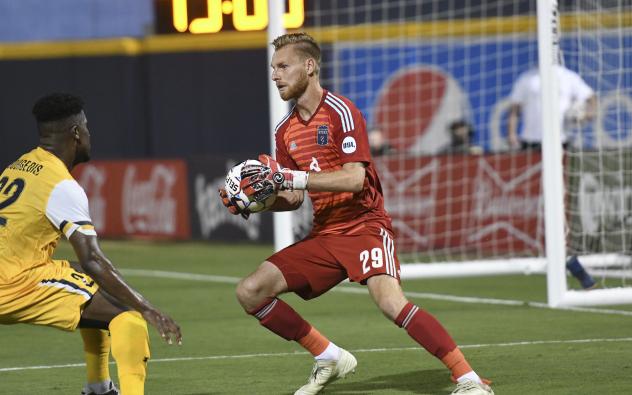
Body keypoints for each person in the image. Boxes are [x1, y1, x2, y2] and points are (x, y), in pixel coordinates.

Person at [219, 33, 493, 395]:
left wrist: (291, 177)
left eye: (283, 66)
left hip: (365, 224)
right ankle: (328, 356)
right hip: (326, 233)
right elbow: (294, 197)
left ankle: (469, 380)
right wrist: (257, 201)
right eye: (273, 68)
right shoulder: (285, 131)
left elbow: (354, 178)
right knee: (251, 291)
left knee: (390, 302)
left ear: (310, 66)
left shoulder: (341, 112)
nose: (275, 75)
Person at [0, 93, 182, 395]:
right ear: (75, 133)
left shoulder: (17, 167)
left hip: (13, 271)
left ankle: (98, 387)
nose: (88, 135)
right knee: (128, 316)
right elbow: (93, 260)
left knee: (89, 285)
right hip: (15, 284)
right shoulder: (61, 185)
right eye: (86, 128)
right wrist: (147, 307)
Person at [507, 64, 596, 150]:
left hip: (561, 139)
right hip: (531, 139)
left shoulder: (568, 76)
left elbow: (591, 97)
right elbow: (514, 110)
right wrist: (511, 134)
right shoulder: (527, 78)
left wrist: (588, 114)